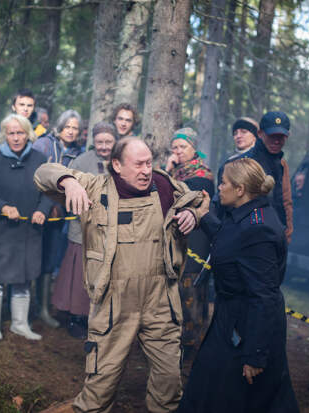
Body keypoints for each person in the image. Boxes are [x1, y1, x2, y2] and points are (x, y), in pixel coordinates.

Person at [35, 137, 205, 413]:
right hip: (114, 302)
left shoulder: (163, 186)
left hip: (160, 299)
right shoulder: (94, 188)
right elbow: (42, 174)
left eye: (149, 163)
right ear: (116, 164)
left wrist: (192, 213)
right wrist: (69, 182)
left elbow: (200, 199)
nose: (146, 170)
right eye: (138, 164)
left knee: (169, 380)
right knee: (101, 381)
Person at [179, 158, 299, 413]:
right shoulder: (249, 214)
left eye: (223, 183)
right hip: (232, 315)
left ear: (240, 189)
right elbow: (231, 239)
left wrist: (255, 354)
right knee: (210, 384)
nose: (219, 188)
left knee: (240, 394)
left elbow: (263, 296)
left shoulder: (259, 230)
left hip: (248, 324)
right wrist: (203, 216)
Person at [0, 114, 53, 340]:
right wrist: (3, 207)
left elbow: (49, 192)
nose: (16, 138)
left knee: (24, 277)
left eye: (20, 133)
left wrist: (43, 210)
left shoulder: (40, 160)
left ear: (28, 134)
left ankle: (20, 324)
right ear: (4, 135)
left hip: (29, 232)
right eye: (11, 133)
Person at [51, 122, 117, 339]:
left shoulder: (121, 161)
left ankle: (102, 319)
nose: (104, 146)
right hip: (83, 230)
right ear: (93, 142)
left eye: (108, 142)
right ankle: (77, 317)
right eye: (100, 142)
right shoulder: (82, 161)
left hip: (111, 231)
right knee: (80, 274)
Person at [164, 127, 214, 358]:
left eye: (182, 147)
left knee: (192, 291)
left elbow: (178, 199)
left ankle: (193, 345)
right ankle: (178, 343)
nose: (178, 151)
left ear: (194, 148)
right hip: (178, 241)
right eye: (174, 147)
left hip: (196, 242)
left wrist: (167, 173)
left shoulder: (201, 175)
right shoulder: (178, 173)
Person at [32, 109, 84, 328]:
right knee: (30, 257)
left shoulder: (78, 153)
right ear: (60, 126)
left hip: (60, 215)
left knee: (50, 260)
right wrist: (44, 206)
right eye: (68, 127)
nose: (70, 132)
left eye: (75, 128)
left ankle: (44, 308)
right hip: (36, 210)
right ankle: (20, 305)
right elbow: (34, 176)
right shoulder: (43, 144)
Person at [218, 111, 293, 243]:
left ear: (287, 136)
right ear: (260, 134)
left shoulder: (282, 164)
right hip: (246, 237)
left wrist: (287, 234)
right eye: (272, 135)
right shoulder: (243, 163)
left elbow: (285, 201)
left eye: (280, 136)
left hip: (275, 236)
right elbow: (224, 203)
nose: (276, 141)